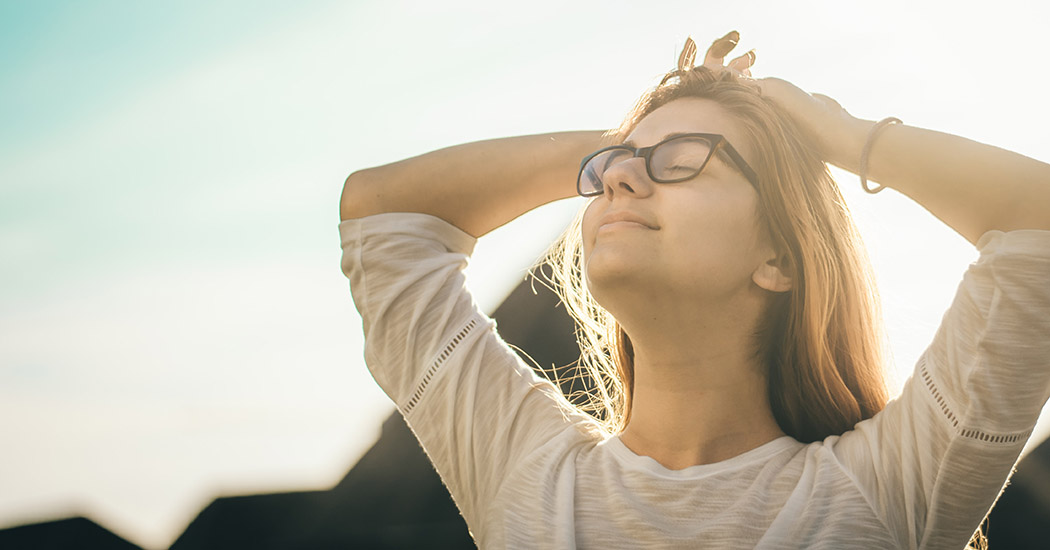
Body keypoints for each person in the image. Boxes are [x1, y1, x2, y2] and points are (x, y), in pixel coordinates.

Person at [338, 31, 1050, 549]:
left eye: (682, 162)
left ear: (780, 257)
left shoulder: (888, 489)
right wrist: (630, 140)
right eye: (610, 168)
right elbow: (382, 212)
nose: (617, 179)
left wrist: (835, 134)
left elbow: (1037, 219)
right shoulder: (525, 470)